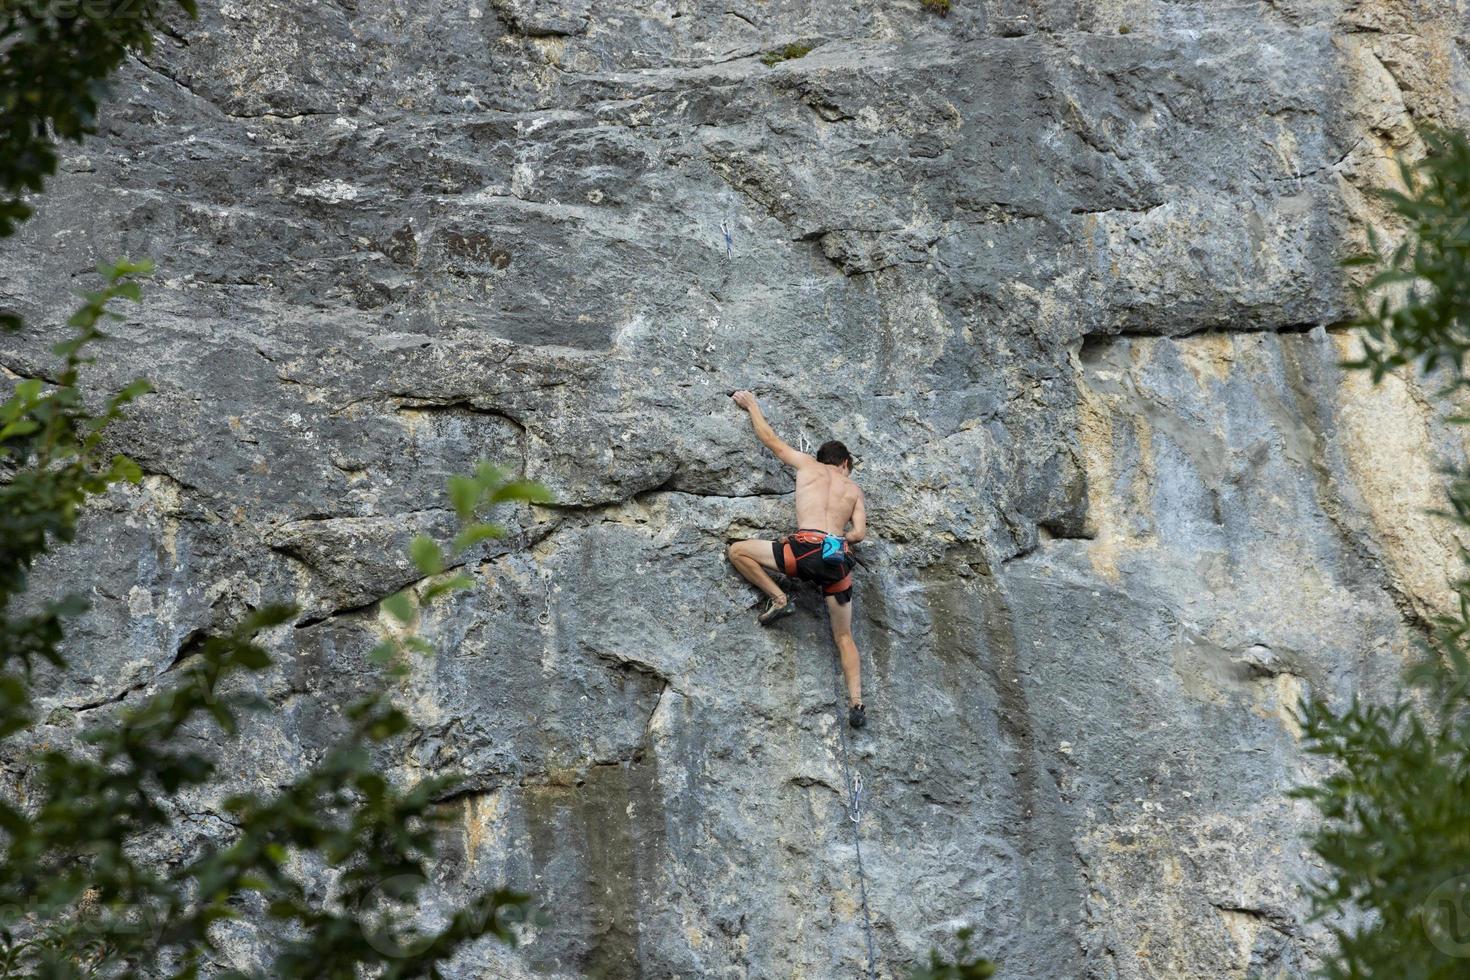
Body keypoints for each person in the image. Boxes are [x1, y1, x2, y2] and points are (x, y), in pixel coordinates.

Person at [726, 390, 870, 729]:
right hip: (836, 561)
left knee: (738, 551)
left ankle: (778, 597)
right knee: (844, 636)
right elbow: (859, 534)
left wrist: (752, 406)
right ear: (845, 463)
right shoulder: (853, 490)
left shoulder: (808, 465)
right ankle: (857, 704)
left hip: (802, 551)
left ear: (822, 459)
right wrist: (839, 538)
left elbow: (772, 441)